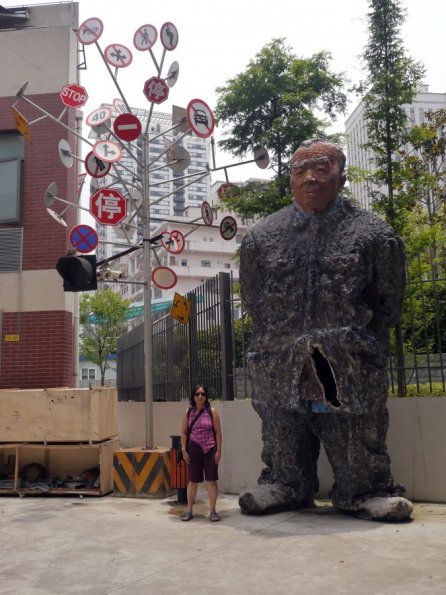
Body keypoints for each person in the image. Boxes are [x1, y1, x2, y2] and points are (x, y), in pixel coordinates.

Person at [238, 138, 413, 522]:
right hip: (279, 357)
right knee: (282, 427)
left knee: (357, 432)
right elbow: (253, 300)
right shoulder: (261, 238)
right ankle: (285, 483)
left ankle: (365, 490)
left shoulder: (373, 235)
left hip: (346, 358)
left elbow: (389, 302)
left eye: (321, 169)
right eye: (300, 171)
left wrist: (355, 340)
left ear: (341, 177)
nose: (310, 178)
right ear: (290, 180)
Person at [180, 385, 222, 521]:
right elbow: (184, 432)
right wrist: (183, 450)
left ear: (206, 397)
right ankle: (189, 510)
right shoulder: (188, 412)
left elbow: (218, 432)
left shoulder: (212, 411)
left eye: (203, 394)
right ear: (193, 396)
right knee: (192, 481)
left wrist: (218, 451)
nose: (200, 396)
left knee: (211, 481)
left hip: (210, 448)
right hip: (194, 449)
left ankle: (213, 511)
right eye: (197, 394)